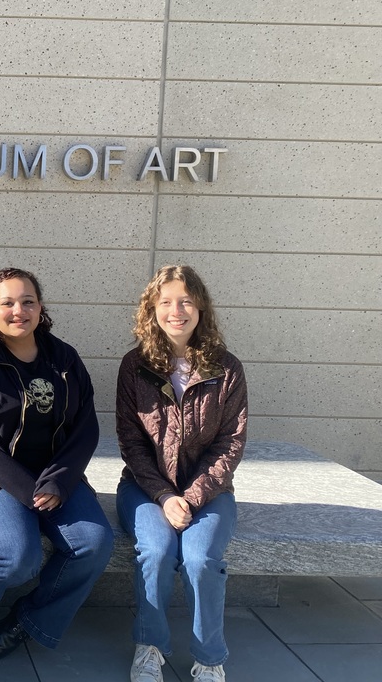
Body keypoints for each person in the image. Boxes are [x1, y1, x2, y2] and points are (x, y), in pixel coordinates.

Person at [0, 267, 113, 661]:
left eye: (28, 301)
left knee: (94, 542)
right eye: (8, 303)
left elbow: (85, 427)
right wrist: (28, 489)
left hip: (54, 478)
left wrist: (59, 481)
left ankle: (30, 620)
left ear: (40, 307)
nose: (19, 310)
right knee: (15, 557)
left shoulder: (63, 358)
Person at [116, 265, 248, 682]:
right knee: (156, 552)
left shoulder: (226, 368)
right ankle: (149, 648)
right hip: (145, 489)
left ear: (200, 308)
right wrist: (164, 495)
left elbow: (230, 443)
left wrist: (189, 498)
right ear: (152, 309)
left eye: (186, 301)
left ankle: (209, 660)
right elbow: (131, 443)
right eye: (167, 302)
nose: (177, 311)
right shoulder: (134, 366)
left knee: (200, 559)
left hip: (209, 492)